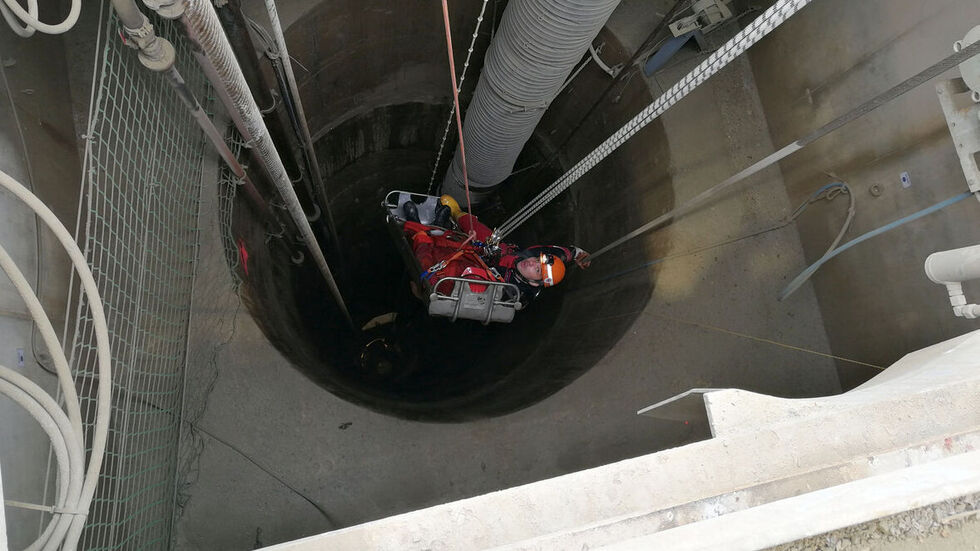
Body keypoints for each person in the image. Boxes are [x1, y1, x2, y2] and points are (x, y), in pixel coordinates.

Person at [404, 195, 590, 306]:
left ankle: (421, 234)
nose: (532, 262)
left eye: (537, 270)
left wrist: (425, 295)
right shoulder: (541, 258)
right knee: (480, 234)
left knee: (443, 265)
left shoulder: (513, 292)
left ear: (536, 283)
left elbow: (473, 302)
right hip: (500, 254)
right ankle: (455, 214)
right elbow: (564, 253)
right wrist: (578, 253)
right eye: (537, 260)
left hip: (486, 272)